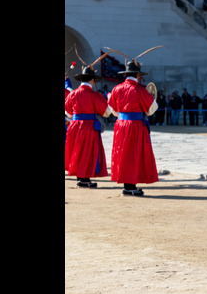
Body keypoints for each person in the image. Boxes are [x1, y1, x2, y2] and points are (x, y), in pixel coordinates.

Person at [107, 59, 159, 196]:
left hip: (120, 126)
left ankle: (127, 185)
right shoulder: (139, 90)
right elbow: (152, 109)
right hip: (135, 126)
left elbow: (112, 109)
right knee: (133, 155)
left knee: (123, 155)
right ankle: (130, 186)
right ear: (137, 75)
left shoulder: (116, 89)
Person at [65, 62, 113, 188]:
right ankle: (84, 179)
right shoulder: (94, 95)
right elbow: (107, 112)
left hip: (74, 125)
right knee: (87, 152)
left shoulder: (72, 94)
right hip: (88, 126)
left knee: (77, 151)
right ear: (92, 80)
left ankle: (80, 177)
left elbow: (68, 113)